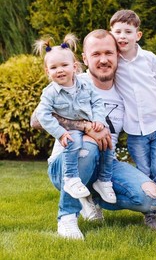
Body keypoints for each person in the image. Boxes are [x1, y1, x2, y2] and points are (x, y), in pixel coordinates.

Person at [31, 29, 156, 240]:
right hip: (68, 162)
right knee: (88, 146)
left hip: (106, 162)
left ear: (117, 56)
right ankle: (67, 217)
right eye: (96, 54)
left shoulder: (126, 91)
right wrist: (84, 126)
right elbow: (36, 120)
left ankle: (90, 197)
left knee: (150, 197)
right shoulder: (72, 81)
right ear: (83, 59)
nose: (103, 60)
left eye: (109, 53)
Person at [34, 33, 116, 204]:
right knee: (74, 143)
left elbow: (97, 102)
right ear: (47, 71)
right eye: (54, 67)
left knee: (108, 143)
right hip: (71, 131)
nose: (60, 70)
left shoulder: (85, 85)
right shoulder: (50, 93)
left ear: (75, 67)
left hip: (92, 124)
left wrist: (99, 120)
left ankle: (104, 180)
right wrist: (60, 133)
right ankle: (70, 178)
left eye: (64, 65)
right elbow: (41, 115)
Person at [110, 9, 156, 230]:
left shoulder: (150, 59)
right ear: (111, 33)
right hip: (134, 131)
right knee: (144, 172)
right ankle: (149, 212)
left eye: (128, 31)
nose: (122, 36)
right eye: (118, 31)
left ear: (138, 35)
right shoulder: (113, 62)